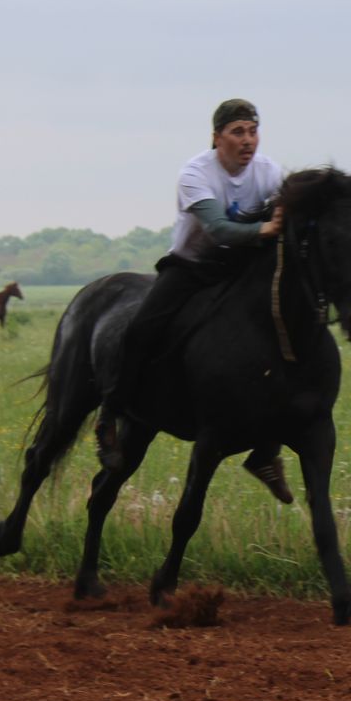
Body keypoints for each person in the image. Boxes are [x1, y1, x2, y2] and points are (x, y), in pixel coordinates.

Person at [100, 98, 285, 470]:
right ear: (217, 138)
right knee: (140, 331)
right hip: (191, 267)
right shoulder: (195, 174)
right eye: (237, 132)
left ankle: (267, 452)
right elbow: (217, 228)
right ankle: (110, 416)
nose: (247, 140)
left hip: (241, 270)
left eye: (252, 131)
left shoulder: (269, 172)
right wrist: (265, 227)